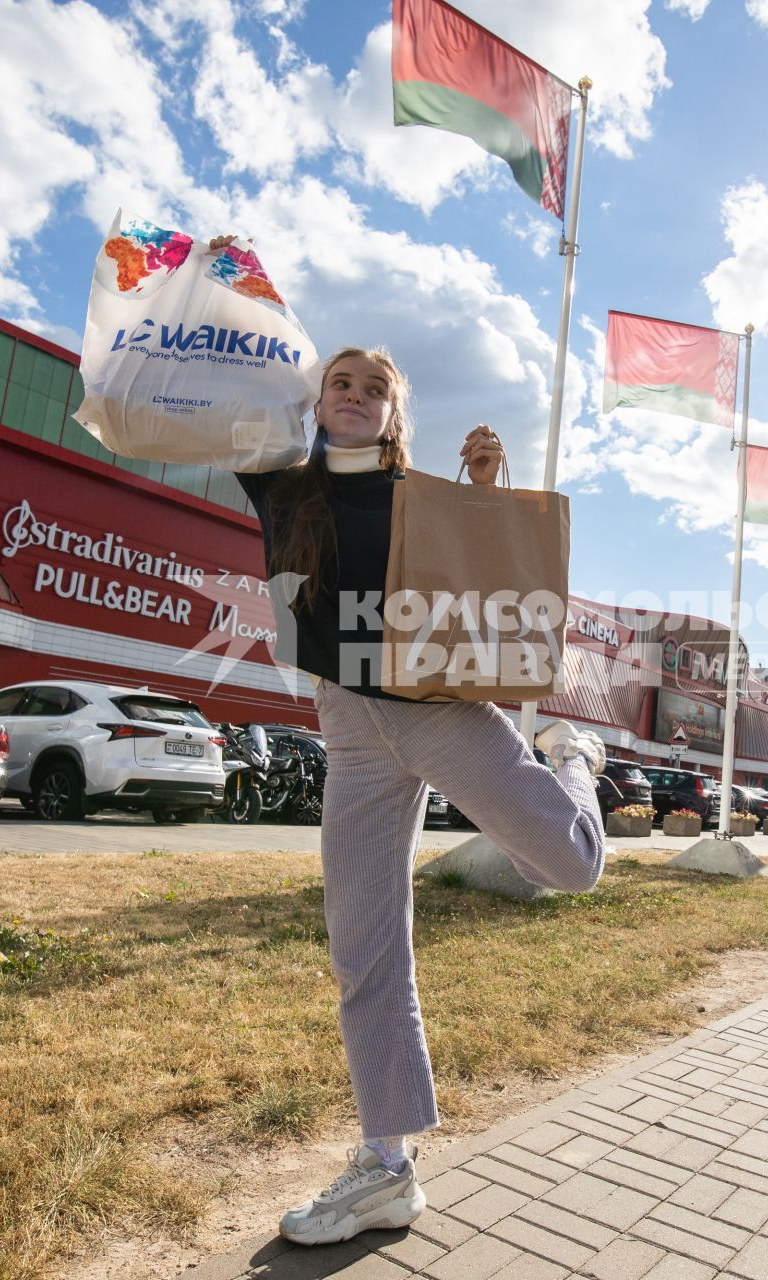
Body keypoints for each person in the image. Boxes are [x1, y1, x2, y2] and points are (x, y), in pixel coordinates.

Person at [227, 334, 609, 1244]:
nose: (354, 395)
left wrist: (484, 492)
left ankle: (577, 762)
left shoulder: (418, 499)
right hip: (349, 727)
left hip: (437, 711)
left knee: (573, 868)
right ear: (318, 404)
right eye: (339, 384)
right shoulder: (283, 484)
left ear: (397, 415)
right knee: (364, 947)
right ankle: (386, 1171)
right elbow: (209, 403)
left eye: (374, 388)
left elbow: (486, 582)